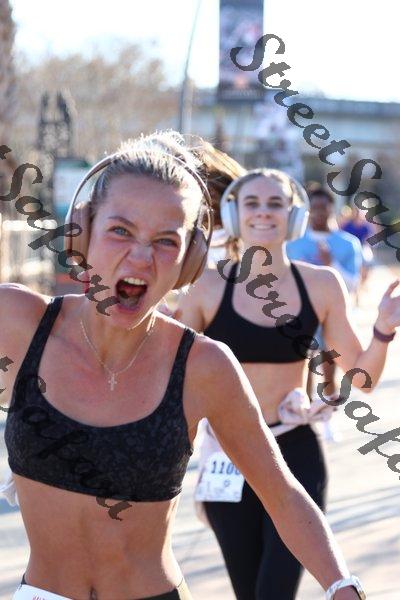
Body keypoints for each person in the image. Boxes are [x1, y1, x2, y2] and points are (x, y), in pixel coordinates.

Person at [0, 131, 366, 600]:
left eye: (165, 241)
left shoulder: (203, 366)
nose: (141, 257)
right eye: (120, 231)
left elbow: (282, 494)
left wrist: (342, 585)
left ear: (190, 261)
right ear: (82, 233)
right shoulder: (17, 322)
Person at [174, 160, 399, 600]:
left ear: (293, 216)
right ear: (234, 214)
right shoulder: (205, 287)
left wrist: (382, 331)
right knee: (249, 592)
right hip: (228, 457)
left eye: (275, 203)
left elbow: (362, 378)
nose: (263, 211)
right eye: (252, 203)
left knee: (275, 592)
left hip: (294, 453)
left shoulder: (321, 285)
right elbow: (170, 374)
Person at [286, 184, 364, 401]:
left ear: (332, 208)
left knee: (329, 364)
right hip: (300, 311)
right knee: (303, 364)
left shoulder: (348, 243)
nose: (319, 212)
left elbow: (353, 284)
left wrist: (331, 263)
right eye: (315, 207)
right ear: (308, 210)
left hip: (333, 312)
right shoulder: (293, 243)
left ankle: (328, 403)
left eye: (324, 207)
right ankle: (306, 407)